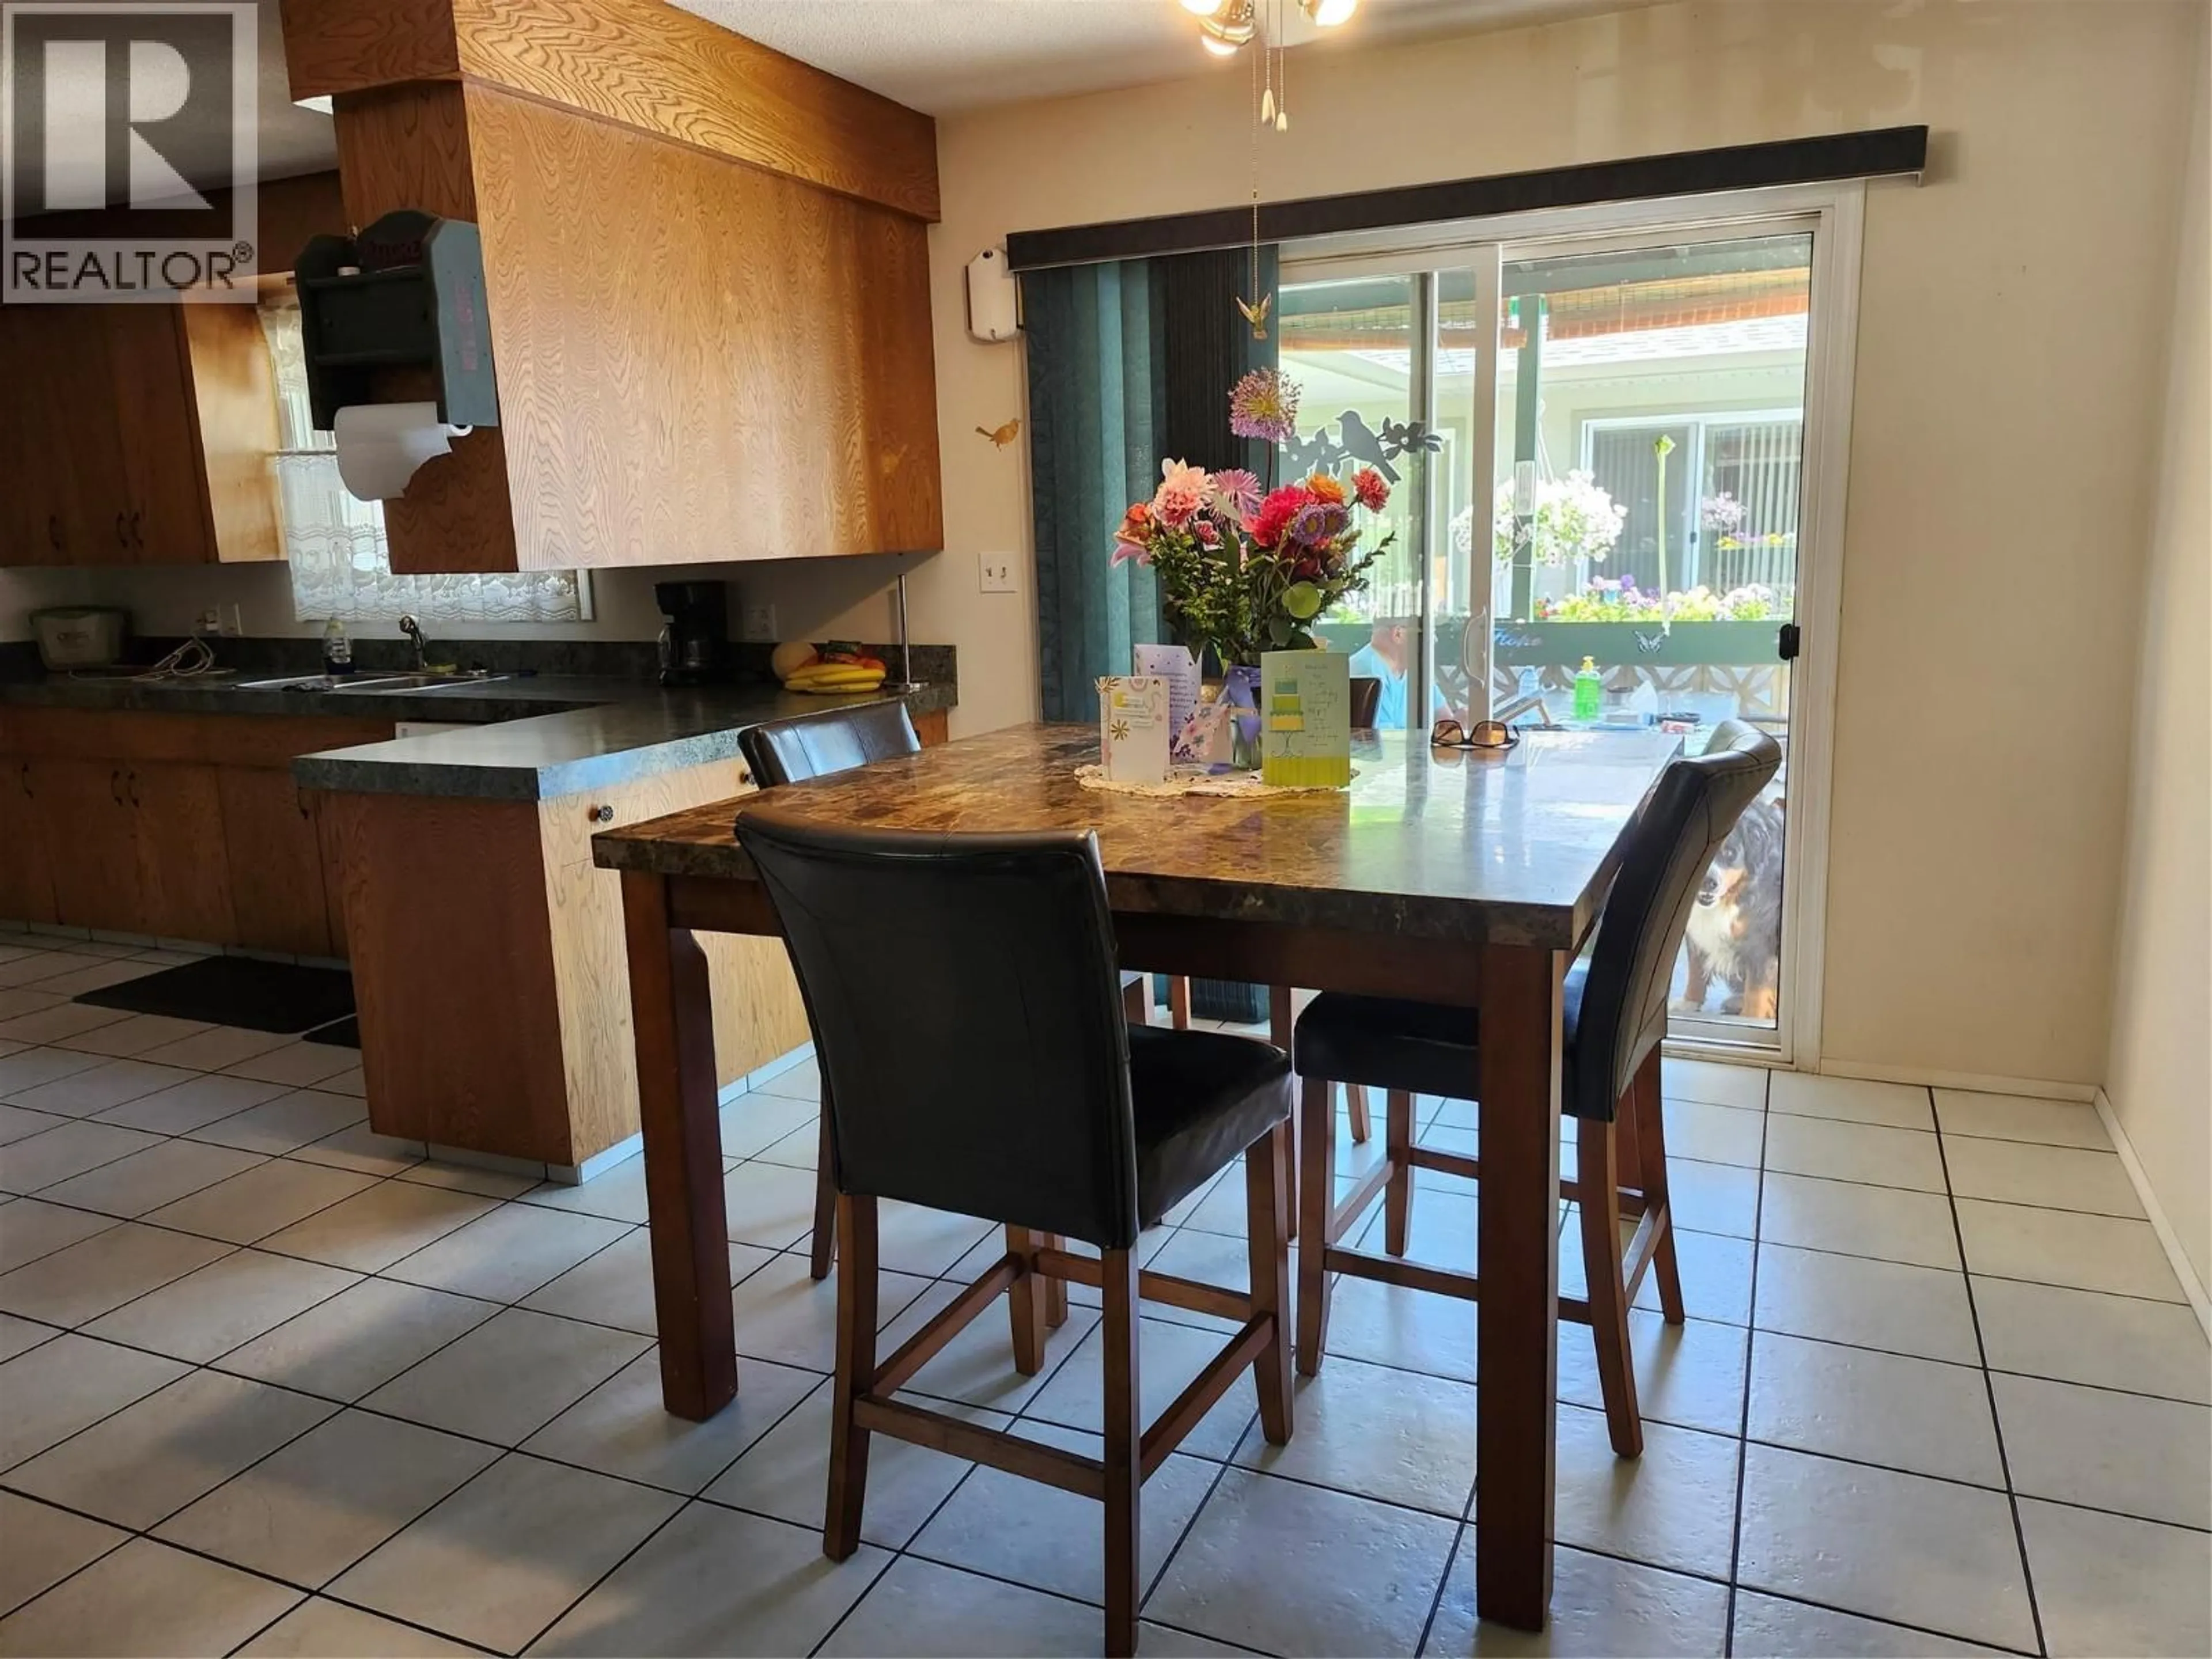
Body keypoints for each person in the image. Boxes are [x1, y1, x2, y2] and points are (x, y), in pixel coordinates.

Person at [1346, 618, 1441, 730]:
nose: (1435, 640)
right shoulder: (1369, 675)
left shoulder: (1414, 671)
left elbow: (1445, 717)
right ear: (1398, 634)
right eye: (1429, 633)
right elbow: (1385, 742)